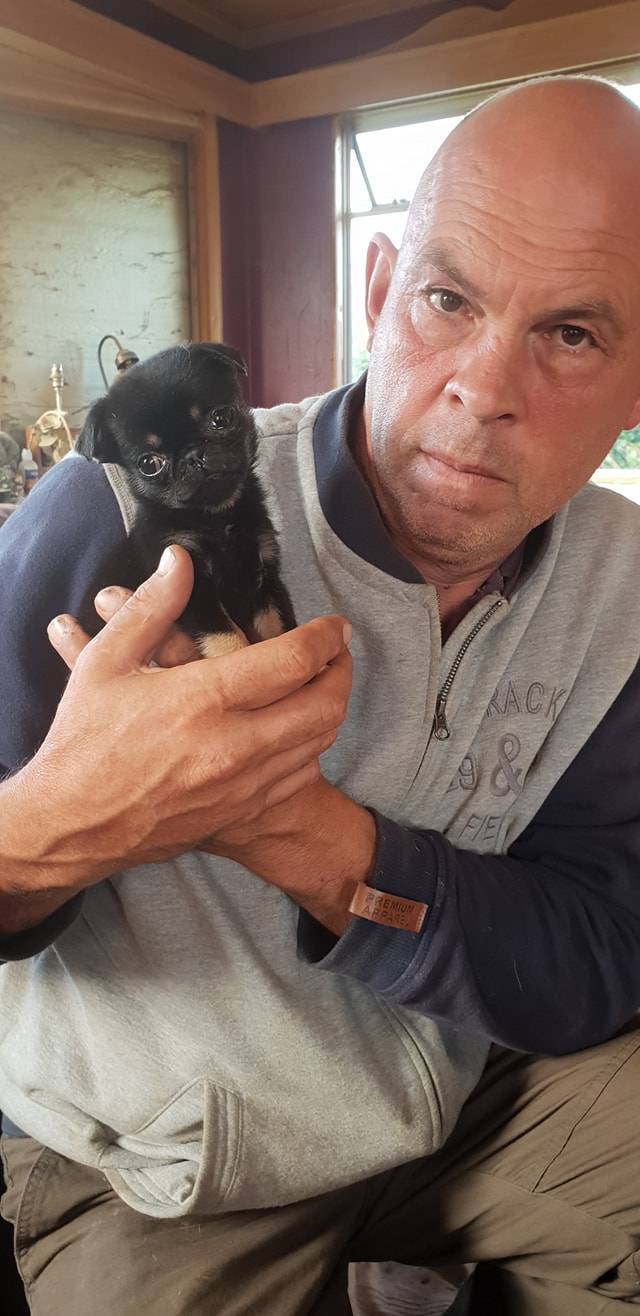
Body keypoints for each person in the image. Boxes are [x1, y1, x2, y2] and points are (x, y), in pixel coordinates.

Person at [2, 73, 640, 1315]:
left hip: (461, 1108)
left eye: (571, 332)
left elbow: (600, 949)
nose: (483, 386)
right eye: (448, 299)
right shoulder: (109, 511)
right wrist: (53, 829)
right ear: (379, 286)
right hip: (150, 1166)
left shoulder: (626, 598)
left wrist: (303, 838)